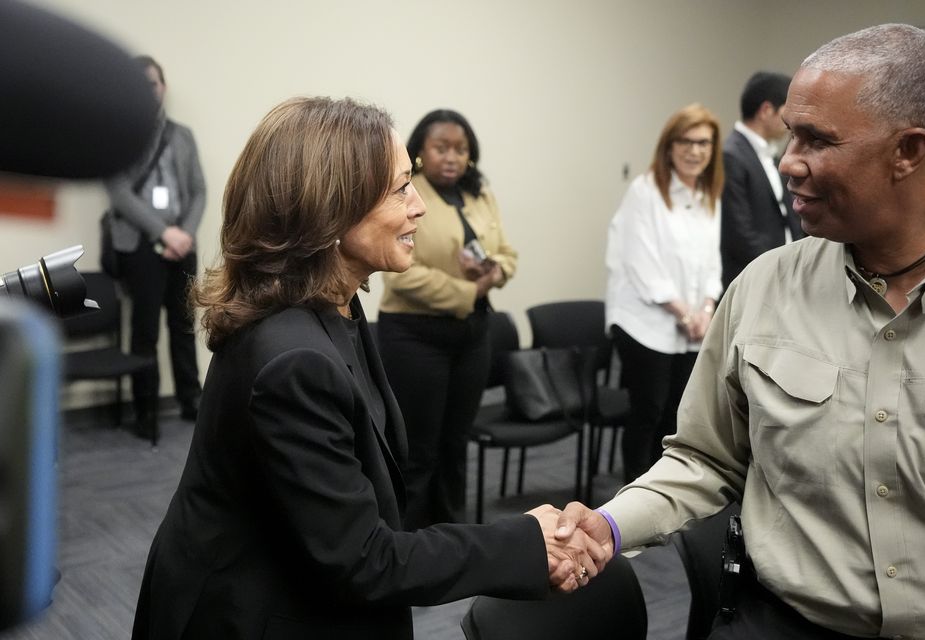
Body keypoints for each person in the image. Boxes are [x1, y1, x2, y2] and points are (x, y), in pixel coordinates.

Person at [131, 97, 608, 640]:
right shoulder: (295, 359)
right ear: (332, 208)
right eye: (402, 187)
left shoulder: (333, 304)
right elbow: (363, 559)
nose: (420, 205)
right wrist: (526, 542)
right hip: (252, 613)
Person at [559, 24, 925, 640]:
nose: (788, 161)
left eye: (818, 140)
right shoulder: (767, 286)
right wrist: (608, 526)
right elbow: (703, 457)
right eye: (790, 132)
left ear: (908, 151)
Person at [377, 109, 517, 529]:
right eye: (441, 148)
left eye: (460, 149)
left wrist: (494, 272)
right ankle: (408, 539)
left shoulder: (479, 192)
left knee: (456, 443)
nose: (452, 157)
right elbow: (400, 275)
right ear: (420, 150)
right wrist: (468, 290)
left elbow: (507, 253)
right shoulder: (403, 192)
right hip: (415, 335)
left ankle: (452, 533)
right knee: (419, 449)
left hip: (472, 334)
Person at [604, 103, 723, 483]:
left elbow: (711, 262)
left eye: (703, 143)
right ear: (669, 146)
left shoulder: (709, 194)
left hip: (690, 326)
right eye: (685, 141)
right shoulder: (646, 190)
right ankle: (631, 503)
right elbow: (643, 265)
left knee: (678, 415)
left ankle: (663, 497)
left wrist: (706, 307)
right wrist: (685, 314)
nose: (695, 151)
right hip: (645, 322)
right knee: (648, 411)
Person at [104, 55, 206, 437]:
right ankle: (145, 410)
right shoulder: (120, 134)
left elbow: (198, 191)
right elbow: (118, 192)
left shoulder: (183, 135)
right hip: (142, 245)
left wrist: (185, 233)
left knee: (183, 326)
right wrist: (164, 233)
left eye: (155, 83)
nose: (151, 90)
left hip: (183, 243)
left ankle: (190, 401)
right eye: (142, 84)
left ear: (164, 88)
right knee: (145, 331)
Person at [720, 71, 804, 290]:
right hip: (755, 279)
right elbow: (739, 232)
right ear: (767, 110)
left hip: (784, 274)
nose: (790, 122)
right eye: (787, 111)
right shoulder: (732, 155)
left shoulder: (770, 155)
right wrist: (775, 272)